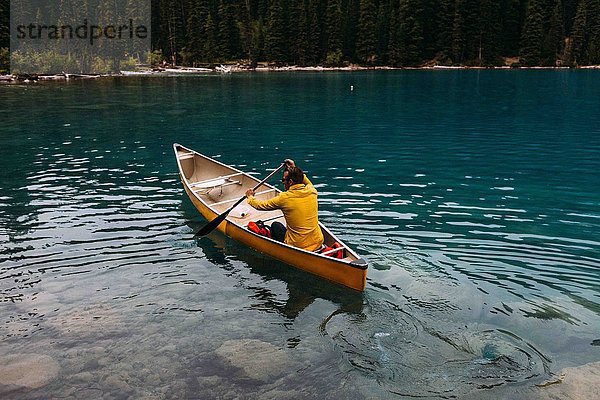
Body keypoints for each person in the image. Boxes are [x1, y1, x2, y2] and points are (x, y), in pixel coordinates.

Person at [245, 159, 324, 252]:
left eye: (283, 180)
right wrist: (293, 168)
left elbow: (260, 205)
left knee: (276, 225)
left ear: (290, 182)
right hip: (318, 241)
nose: (283, 182)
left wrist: (250, 197)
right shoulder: (312, 191)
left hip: (298, 245)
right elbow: (304, 179)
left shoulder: (284, 198)